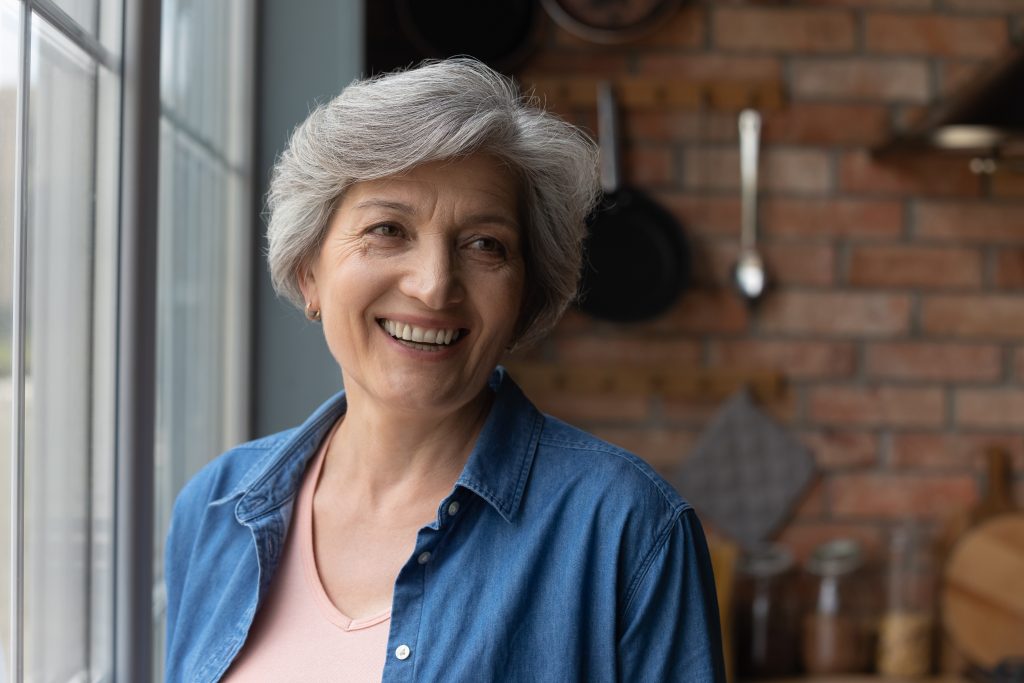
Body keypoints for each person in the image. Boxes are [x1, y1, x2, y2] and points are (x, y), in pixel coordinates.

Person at [164, 58, 724, 683]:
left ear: (524, 298)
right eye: (387, 230)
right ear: (308, 270)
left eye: (485, 244)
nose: (434, 287)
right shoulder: (216, 508)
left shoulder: (628, 529)